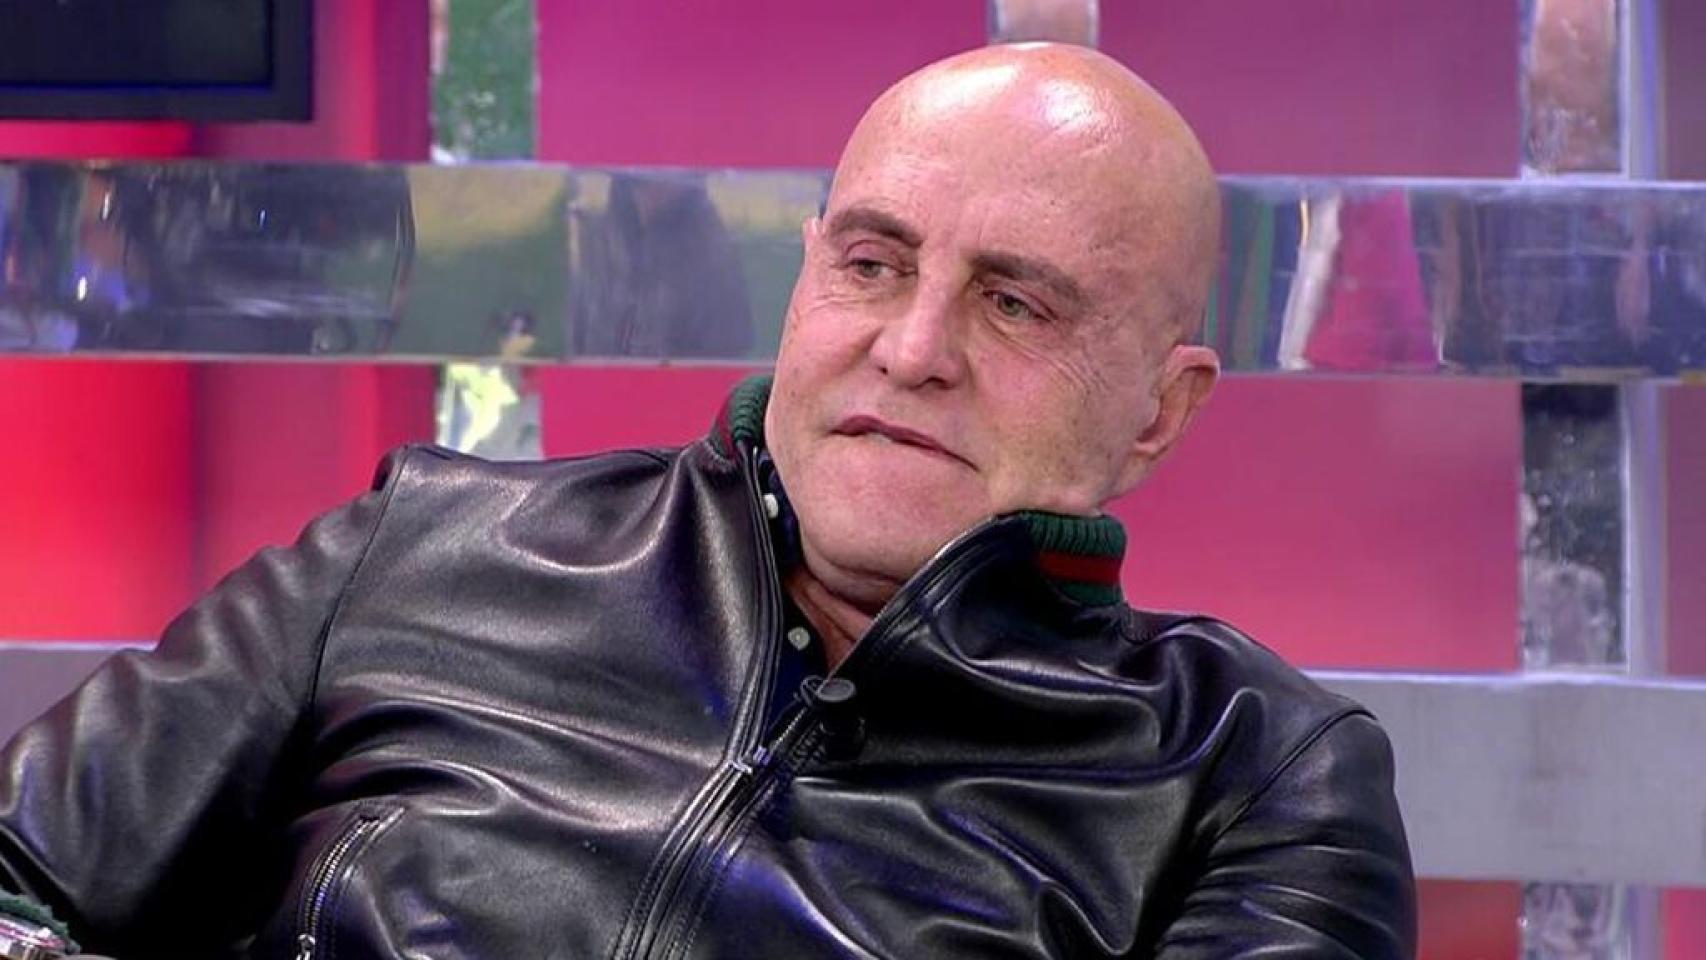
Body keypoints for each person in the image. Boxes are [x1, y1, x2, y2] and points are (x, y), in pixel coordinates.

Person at [0, 44, 1415, 959]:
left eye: (1015, 303)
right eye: (872, 265)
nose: (911, 348)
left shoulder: (1253, 777)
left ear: (1160, 409)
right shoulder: (419, 544)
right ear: (808, 279)